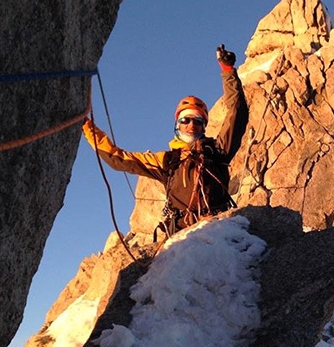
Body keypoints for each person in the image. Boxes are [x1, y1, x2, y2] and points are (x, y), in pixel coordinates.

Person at [82, 44, 248, 238]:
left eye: (197, 121)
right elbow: (118, 157)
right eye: (185, 120)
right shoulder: (167, 160)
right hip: (182, 236)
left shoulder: (217, 150)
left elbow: (237, 112)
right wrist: (86, 126)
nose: (191, 125)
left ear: (204, 126)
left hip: (217, 229)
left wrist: (228, 71)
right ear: (177, 124)